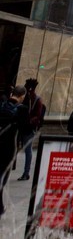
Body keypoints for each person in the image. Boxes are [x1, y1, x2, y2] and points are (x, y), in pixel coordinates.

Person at [0, 87, 25, 216]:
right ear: (22, 96)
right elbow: (24, 128)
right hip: (8, 147)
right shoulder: (20, 111)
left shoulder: (2, 106)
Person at [17, 79, 46, 180]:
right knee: (24, 150)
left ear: (29, 88)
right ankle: (25, 172)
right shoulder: (26, 98)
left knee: (28, 150)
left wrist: (28, 120)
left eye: (26, 86)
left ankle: (26, 173)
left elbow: (37, 116)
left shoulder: (36, 99)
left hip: (28, 129)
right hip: (22, 127)